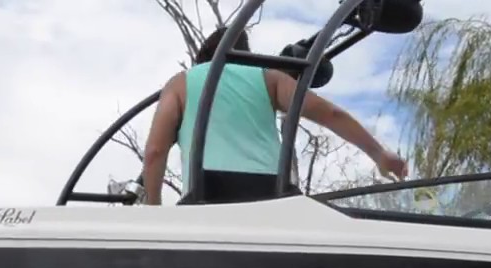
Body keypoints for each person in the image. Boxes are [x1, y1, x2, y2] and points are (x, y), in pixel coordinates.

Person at [140, 27, 408, 205]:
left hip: (208, 192)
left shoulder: (181, 83)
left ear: (202, 59)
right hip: (271, 191)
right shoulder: (269, 78)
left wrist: (153, 209)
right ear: (246, 55)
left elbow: (155, 150)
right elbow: (331, 114)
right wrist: (379, 154)